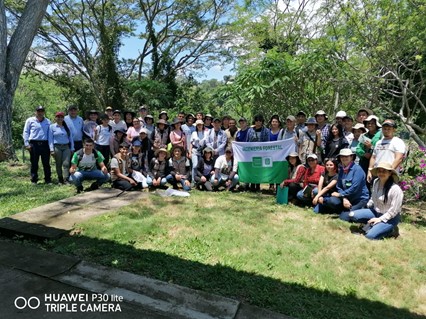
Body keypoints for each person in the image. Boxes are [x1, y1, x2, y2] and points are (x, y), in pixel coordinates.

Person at [340, 162, 403, 240]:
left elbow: (394, 211)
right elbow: (373, 198)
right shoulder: (376, 182)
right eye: (379, 171)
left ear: (390, 173)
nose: (381, 173)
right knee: (352, 215)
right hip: (376, 212)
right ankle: (372, 225)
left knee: (370, 236)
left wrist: (379, 219)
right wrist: (367, 207)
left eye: (384, 171)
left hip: (390, 218)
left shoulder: (395, 189)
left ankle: (391, 230)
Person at [322, 149, 369, 214]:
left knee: (346, 217)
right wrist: (344, 197)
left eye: (346, 156)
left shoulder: (357, 169)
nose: (344, 158)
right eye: (342, 156)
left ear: (351, 157)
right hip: (347, 197)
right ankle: (343, 210)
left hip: (359, 199)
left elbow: (354, 188)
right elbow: (339, 186)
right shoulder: (341, 170)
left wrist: (341, 194)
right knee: (332, 200)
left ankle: (360, 209)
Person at [23, 105, 52, 185]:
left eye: (42, 111)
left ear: (44, 112)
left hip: (45, 144)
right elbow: (26, 132)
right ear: (35, 112)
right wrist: (26, 144)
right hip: (34, 144)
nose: (40, 113)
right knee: (34, 163)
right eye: (38, 111)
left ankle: (48, 179)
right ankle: (34, 179)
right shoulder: (30, 120)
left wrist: (51, 146)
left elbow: (50, 135)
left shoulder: (48, 122)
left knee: (46, 163)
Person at [48, 112, 74, 185]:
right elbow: (50, 139)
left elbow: (71, 138)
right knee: (58, 164)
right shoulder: (52, 127)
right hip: (57, 147)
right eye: (58, 117)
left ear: (63, 118)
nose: (60, 118)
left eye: (61, 117)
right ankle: (60, 179)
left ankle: (66, 179)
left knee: (66, 163)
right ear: (55, 118)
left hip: (66, 147)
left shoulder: (67, 127)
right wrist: (51, 150)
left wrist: (72, 148)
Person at [190, 119, 208, 184]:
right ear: (196, 126)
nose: (199, 126)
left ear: (202, 125)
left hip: (202, 151)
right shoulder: (194, 133)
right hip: (195, 150)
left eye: (200, 125)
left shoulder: (206, 133)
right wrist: (190, 152)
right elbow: (191, 143)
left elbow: (207, 142)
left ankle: (200, 180)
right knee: (194, 165)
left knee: (201, 166)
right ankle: (193, 180)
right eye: (198, 125)